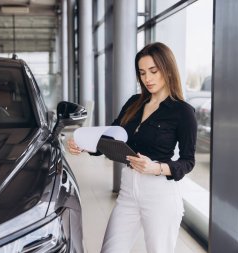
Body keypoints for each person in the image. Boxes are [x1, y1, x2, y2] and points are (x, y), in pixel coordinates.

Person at [67, 42, 197, 253]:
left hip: (159, 193)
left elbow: (188, 161)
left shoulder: (183, 112)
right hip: (129, 190)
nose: (147, 78)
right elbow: (113, 137)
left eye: (154, 71)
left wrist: (156, 168)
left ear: (168, 70)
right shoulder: (134, 103)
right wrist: (87, 146)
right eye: (143, 72)